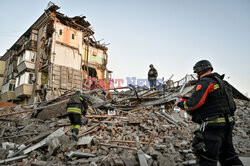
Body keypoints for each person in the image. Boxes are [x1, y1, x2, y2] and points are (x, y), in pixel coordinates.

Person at [176, 60, 243, 166]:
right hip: (227, 125)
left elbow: (194, 104)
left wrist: (180, 104)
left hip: (213, 127)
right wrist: (185, 98)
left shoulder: (205, 82)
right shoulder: (223, 83)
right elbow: (212, 100)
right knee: (229, 156)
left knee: (207, 158)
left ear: (198, 71)